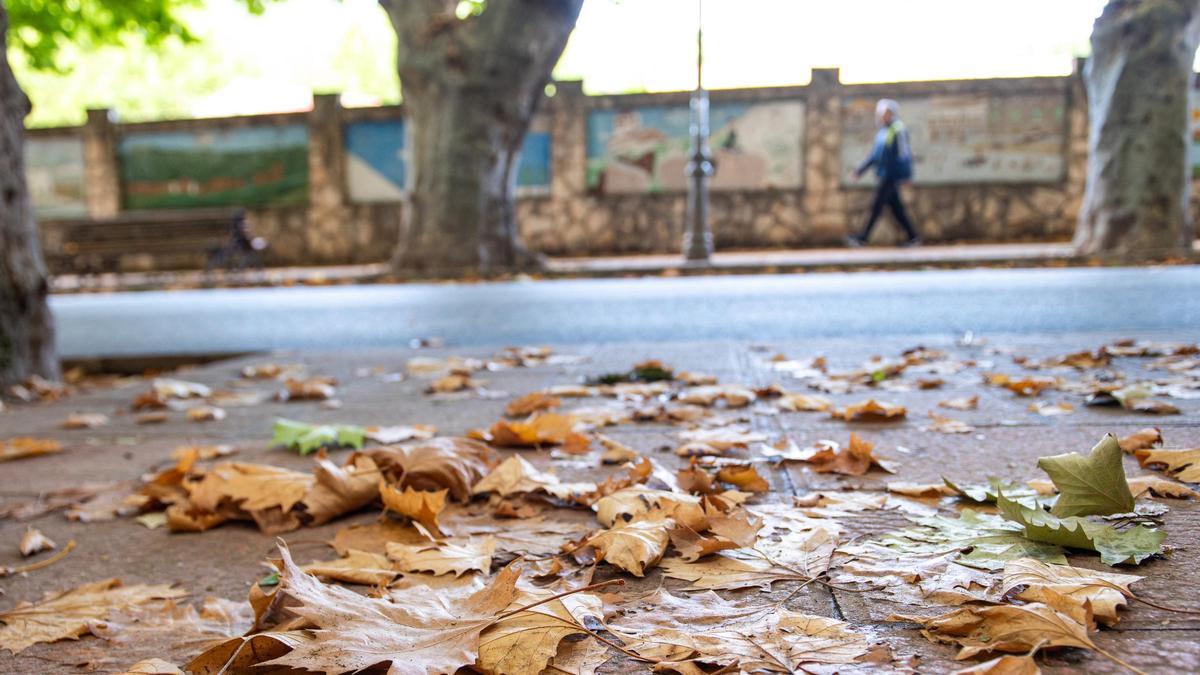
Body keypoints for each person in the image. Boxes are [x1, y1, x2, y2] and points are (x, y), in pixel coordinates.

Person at [846, 99, 920, 247]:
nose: (882, 116)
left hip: (891, 176)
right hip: (884, 174)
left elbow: (904, 153)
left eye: (885, 113)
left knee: (876, 206)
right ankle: (913, 237)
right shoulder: (883, 132)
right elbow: (875, 155)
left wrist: (907, 175)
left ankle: (862, 238)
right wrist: (859, 171)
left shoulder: (898, 129)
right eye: (881, 113)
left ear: (892, 113)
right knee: (896, 209)